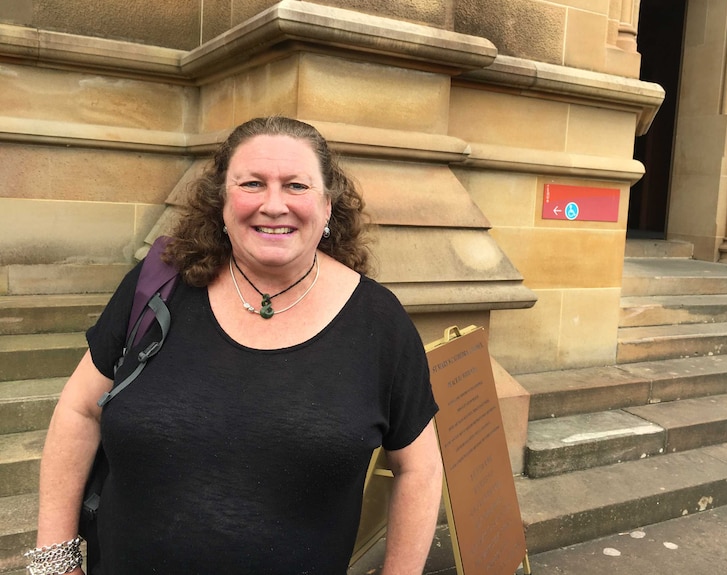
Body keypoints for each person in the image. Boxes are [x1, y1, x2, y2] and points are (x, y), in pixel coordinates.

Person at [30, 116, 443, 574]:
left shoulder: (380, 323)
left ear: (327, 206)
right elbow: (80, 410)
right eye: (251, 183)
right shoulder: (159, 285)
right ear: (221, 202)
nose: (273, 204)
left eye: (296, 186)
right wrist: (53, 562)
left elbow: (419, 469)